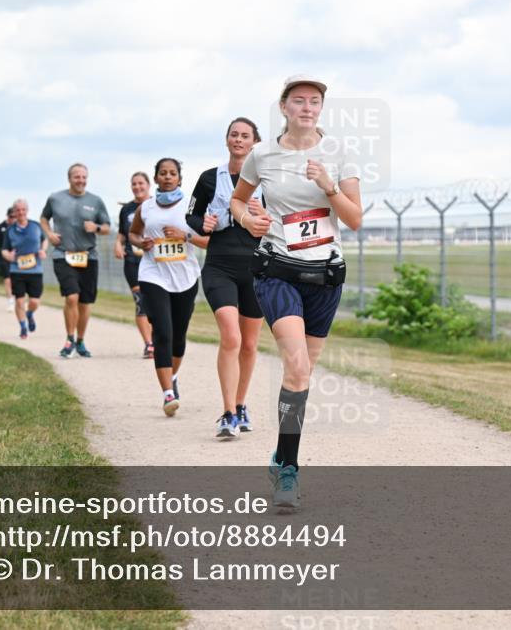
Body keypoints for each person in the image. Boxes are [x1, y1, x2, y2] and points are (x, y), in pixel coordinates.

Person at [230, 75, 362, 508]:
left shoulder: (339, 153)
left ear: (321, 108)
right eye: (299, 100)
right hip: (277, 270)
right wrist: (249, 221)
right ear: (284, 106)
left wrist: (329, 186)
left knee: (302, 376)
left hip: (325, 275)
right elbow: (238, 200)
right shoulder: (262, 154)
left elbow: (354, 219)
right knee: (297, 366)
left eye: (314, 101)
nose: (307, 107)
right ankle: (289, 470)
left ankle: (279, 455)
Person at [187, 117, 266, 439]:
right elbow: (191, 214)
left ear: (255, 143)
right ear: (226, 140)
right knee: (231, 337)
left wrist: (264, 215)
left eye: (245, 136)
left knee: (249, 343)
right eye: (234, 134)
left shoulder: (266, 180)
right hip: (219, 266)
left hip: (257, 269)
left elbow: (283, 221)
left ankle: (241, 404)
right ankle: (228, 413)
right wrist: (202, 224)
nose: (238, 140)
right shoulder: (210, 178)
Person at [128, 158, 208, 417]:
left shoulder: (191, 207)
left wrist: (185, 235)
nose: (167, 177)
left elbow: (209, 240)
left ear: (179, 179)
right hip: (153, 275)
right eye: (163, 173)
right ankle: (167, 394)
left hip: (185, 277)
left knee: (178, 335)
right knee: (163, 332)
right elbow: (133, 233)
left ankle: (172, 377)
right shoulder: (146, 207)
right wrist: (140, 243)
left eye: (172, 173)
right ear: (156, 178)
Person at [41, 163, 111, 358]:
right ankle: (69, 339)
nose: (81, 180)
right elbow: (44, 218)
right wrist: (49, 234)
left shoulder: (95, 201)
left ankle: (80, 341)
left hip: (89, 256)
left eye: (84, 177)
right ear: (69, 178)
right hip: (63, 254)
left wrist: (96, 228)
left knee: (85, 302)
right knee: (72, 296)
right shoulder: (55, 198)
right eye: (77, 177)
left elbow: (107, 227)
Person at [115, 172, 154, 358]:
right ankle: (149, 344)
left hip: (155, 262)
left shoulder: (156, 204)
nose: (137, 187)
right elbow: (122, 234)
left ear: (148, 185)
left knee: (156, 303)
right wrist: (117, 245)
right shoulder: (126, 209)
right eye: (134, 184)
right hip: (133, 261)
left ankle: (159, 339)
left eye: (141, 183)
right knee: (141, 302)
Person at [1, 199, 47, 339]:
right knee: (20, 301)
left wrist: (42, 250)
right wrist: (9, 256)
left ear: (27, 210)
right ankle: (22, 327)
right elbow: (4, 250)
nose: (21, 212)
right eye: (18, 210)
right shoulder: (10, 230)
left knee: (34, 302)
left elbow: (44, 240)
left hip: (35, 270)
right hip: (17, 270)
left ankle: (30, 314)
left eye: (23, 209)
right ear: (14, 212)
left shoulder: (36, 226)